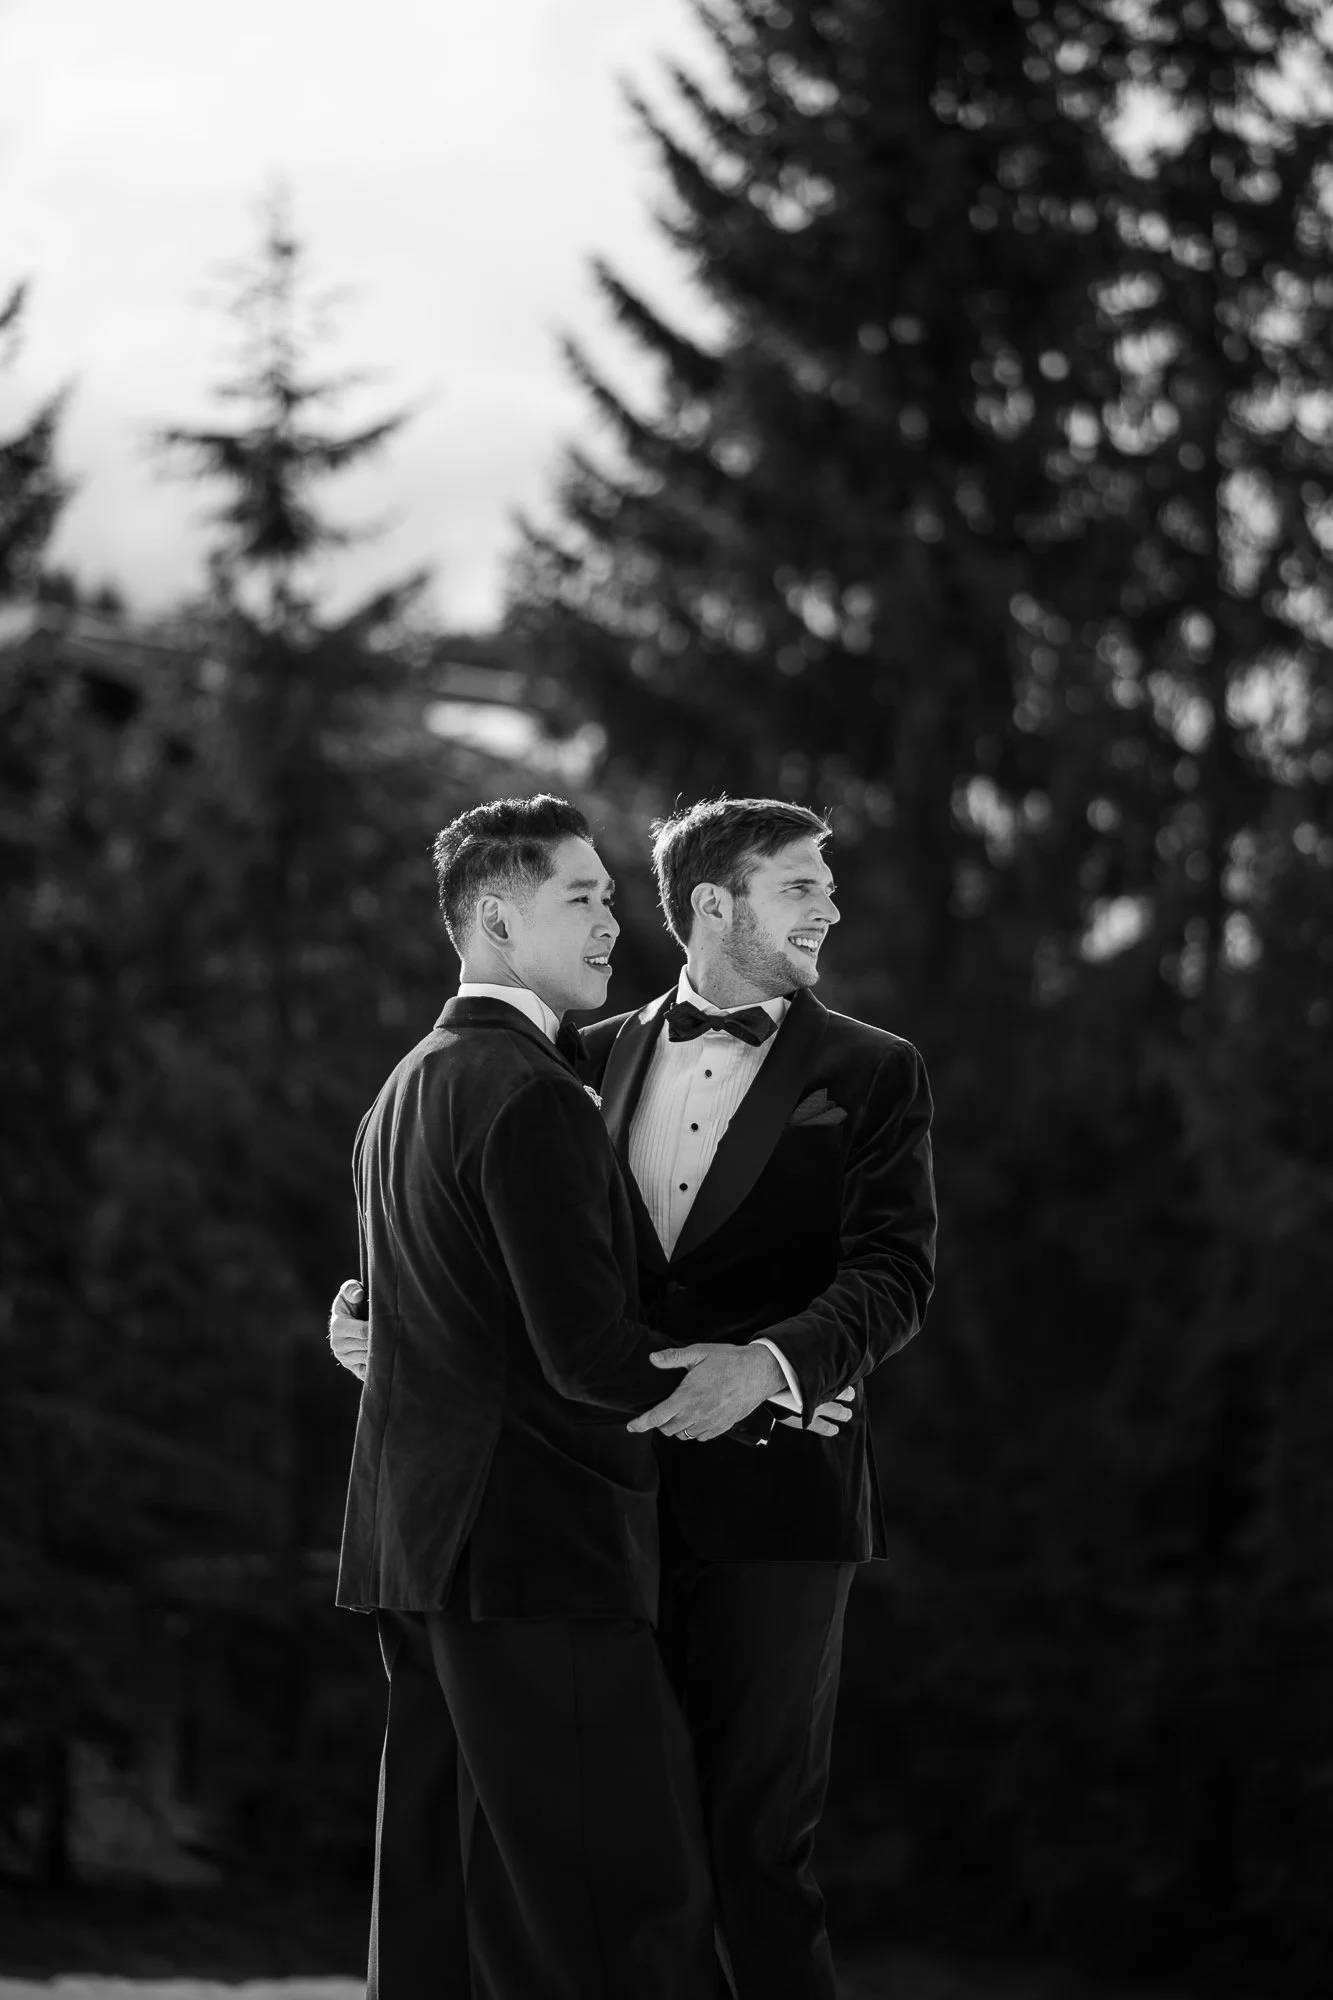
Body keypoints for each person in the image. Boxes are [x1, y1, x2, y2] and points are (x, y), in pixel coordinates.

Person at [332, 795, 936, 2000]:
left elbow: (894, 1273)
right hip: (591, 1511)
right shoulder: (576, 1057)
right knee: (600, 1858)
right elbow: (507, 1251)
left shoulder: (872, 1071)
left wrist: (774, 1374)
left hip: (775, 1500)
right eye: (801, 884)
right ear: (715, 902)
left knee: (751, 1849)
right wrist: (383, 1320)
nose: (830, 904)